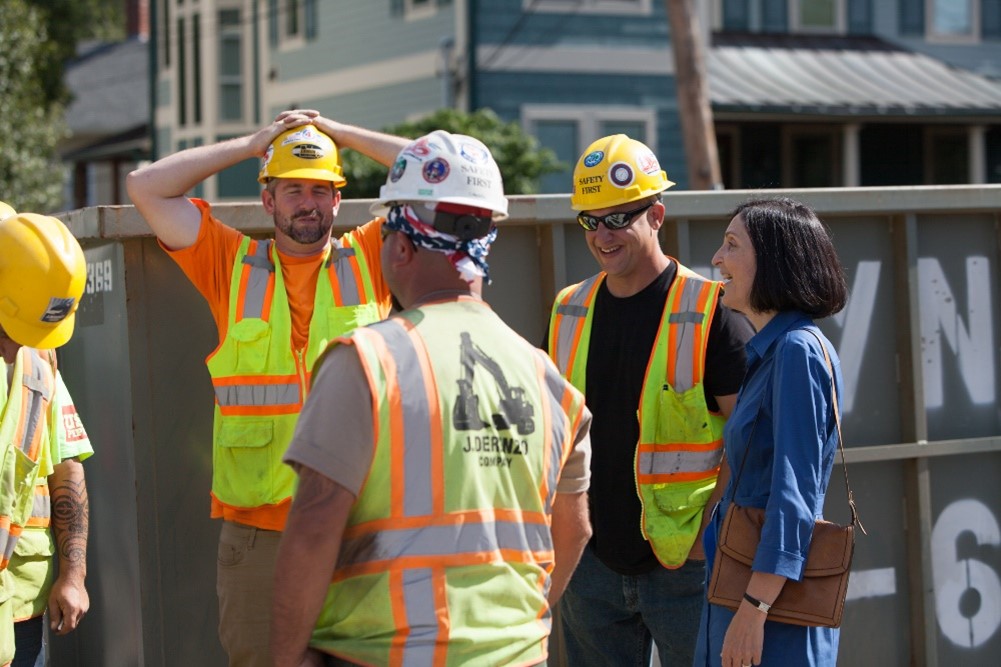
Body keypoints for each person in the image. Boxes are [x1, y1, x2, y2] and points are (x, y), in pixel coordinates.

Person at [270, 131, 594, 667]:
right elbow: (576, 527)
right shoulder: (548, 380)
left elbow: (312, 528)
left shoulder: (368, 361)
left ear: (398, 247)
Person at [125, 113, 409, 666]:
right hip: (260, 540)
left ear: (338, 201)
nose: (310, 203)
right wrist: (254, 143)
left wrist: (340, 134)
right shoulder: (231, 265)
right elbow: (145, 187)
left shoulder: (374, 255)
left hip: (359, 529)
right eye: (294, 189)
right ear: (268, 201)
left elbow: (440, 170)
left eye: (323, 190)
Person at [546, 135, 754, 666]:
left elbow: (750, 439)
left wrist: (709, 534)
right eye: (591, 221)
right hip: (589, 565)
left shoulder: (710, 311)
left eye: (619, 218)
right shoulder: (568, 309)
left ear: (656, 214)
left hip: (684, 565)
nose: (603, 235)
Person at [693, 197, 848, 667]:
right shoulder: (774, 350)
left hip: (768, 606)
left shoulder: (796, 352)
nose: (717, 259)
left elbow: (793, 495)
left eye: (732, 244)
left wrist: (754, 609)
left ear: (775, 262)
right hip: (742, 583)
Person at [0, 210, 89, 667]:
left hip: (21, 602)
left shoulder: (38, 363)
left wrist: (73, 573)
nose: (23, 345)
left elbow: (66, 464)